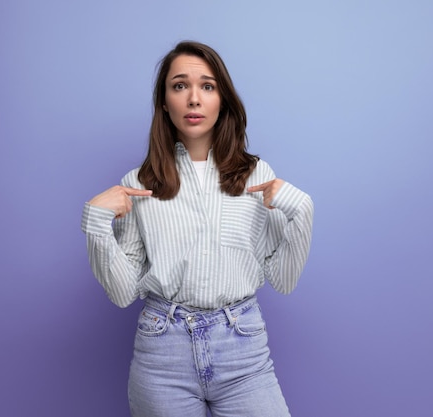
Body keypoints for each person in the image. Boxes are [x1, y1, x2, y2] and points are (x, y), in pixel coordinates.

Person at [81, 41, 313, 417]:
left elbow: (283, 280)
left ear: (223, 99)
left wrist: (302, 211)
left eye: (207, 86)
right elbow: (123, 293)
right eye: (179, 86)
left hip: (243, 351)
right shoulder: (139, 184)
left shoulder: (257, 177)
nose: (193, 98)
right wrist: (95, 222)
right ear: (164, 102)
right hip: (162, 356)